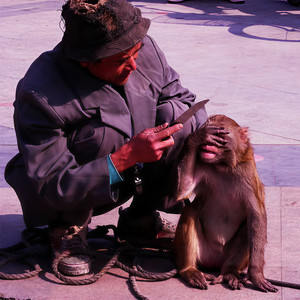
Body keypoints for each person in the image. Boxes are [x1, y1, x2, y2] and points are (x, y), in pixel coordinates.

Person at [5, 0, 209, 276]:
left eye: (136, 53)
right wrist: (126, 156)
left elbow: (180, 97)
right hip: (65, 189)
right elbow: (50, 181)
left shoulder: (142, 49)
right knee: (105, 132)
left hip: (135, 174)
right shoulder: (40, 91)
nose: (133, 66)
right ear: (86, 60)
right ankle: (68, 229)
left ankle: (140, 218)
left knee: (178, 118)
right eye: (121, 61)